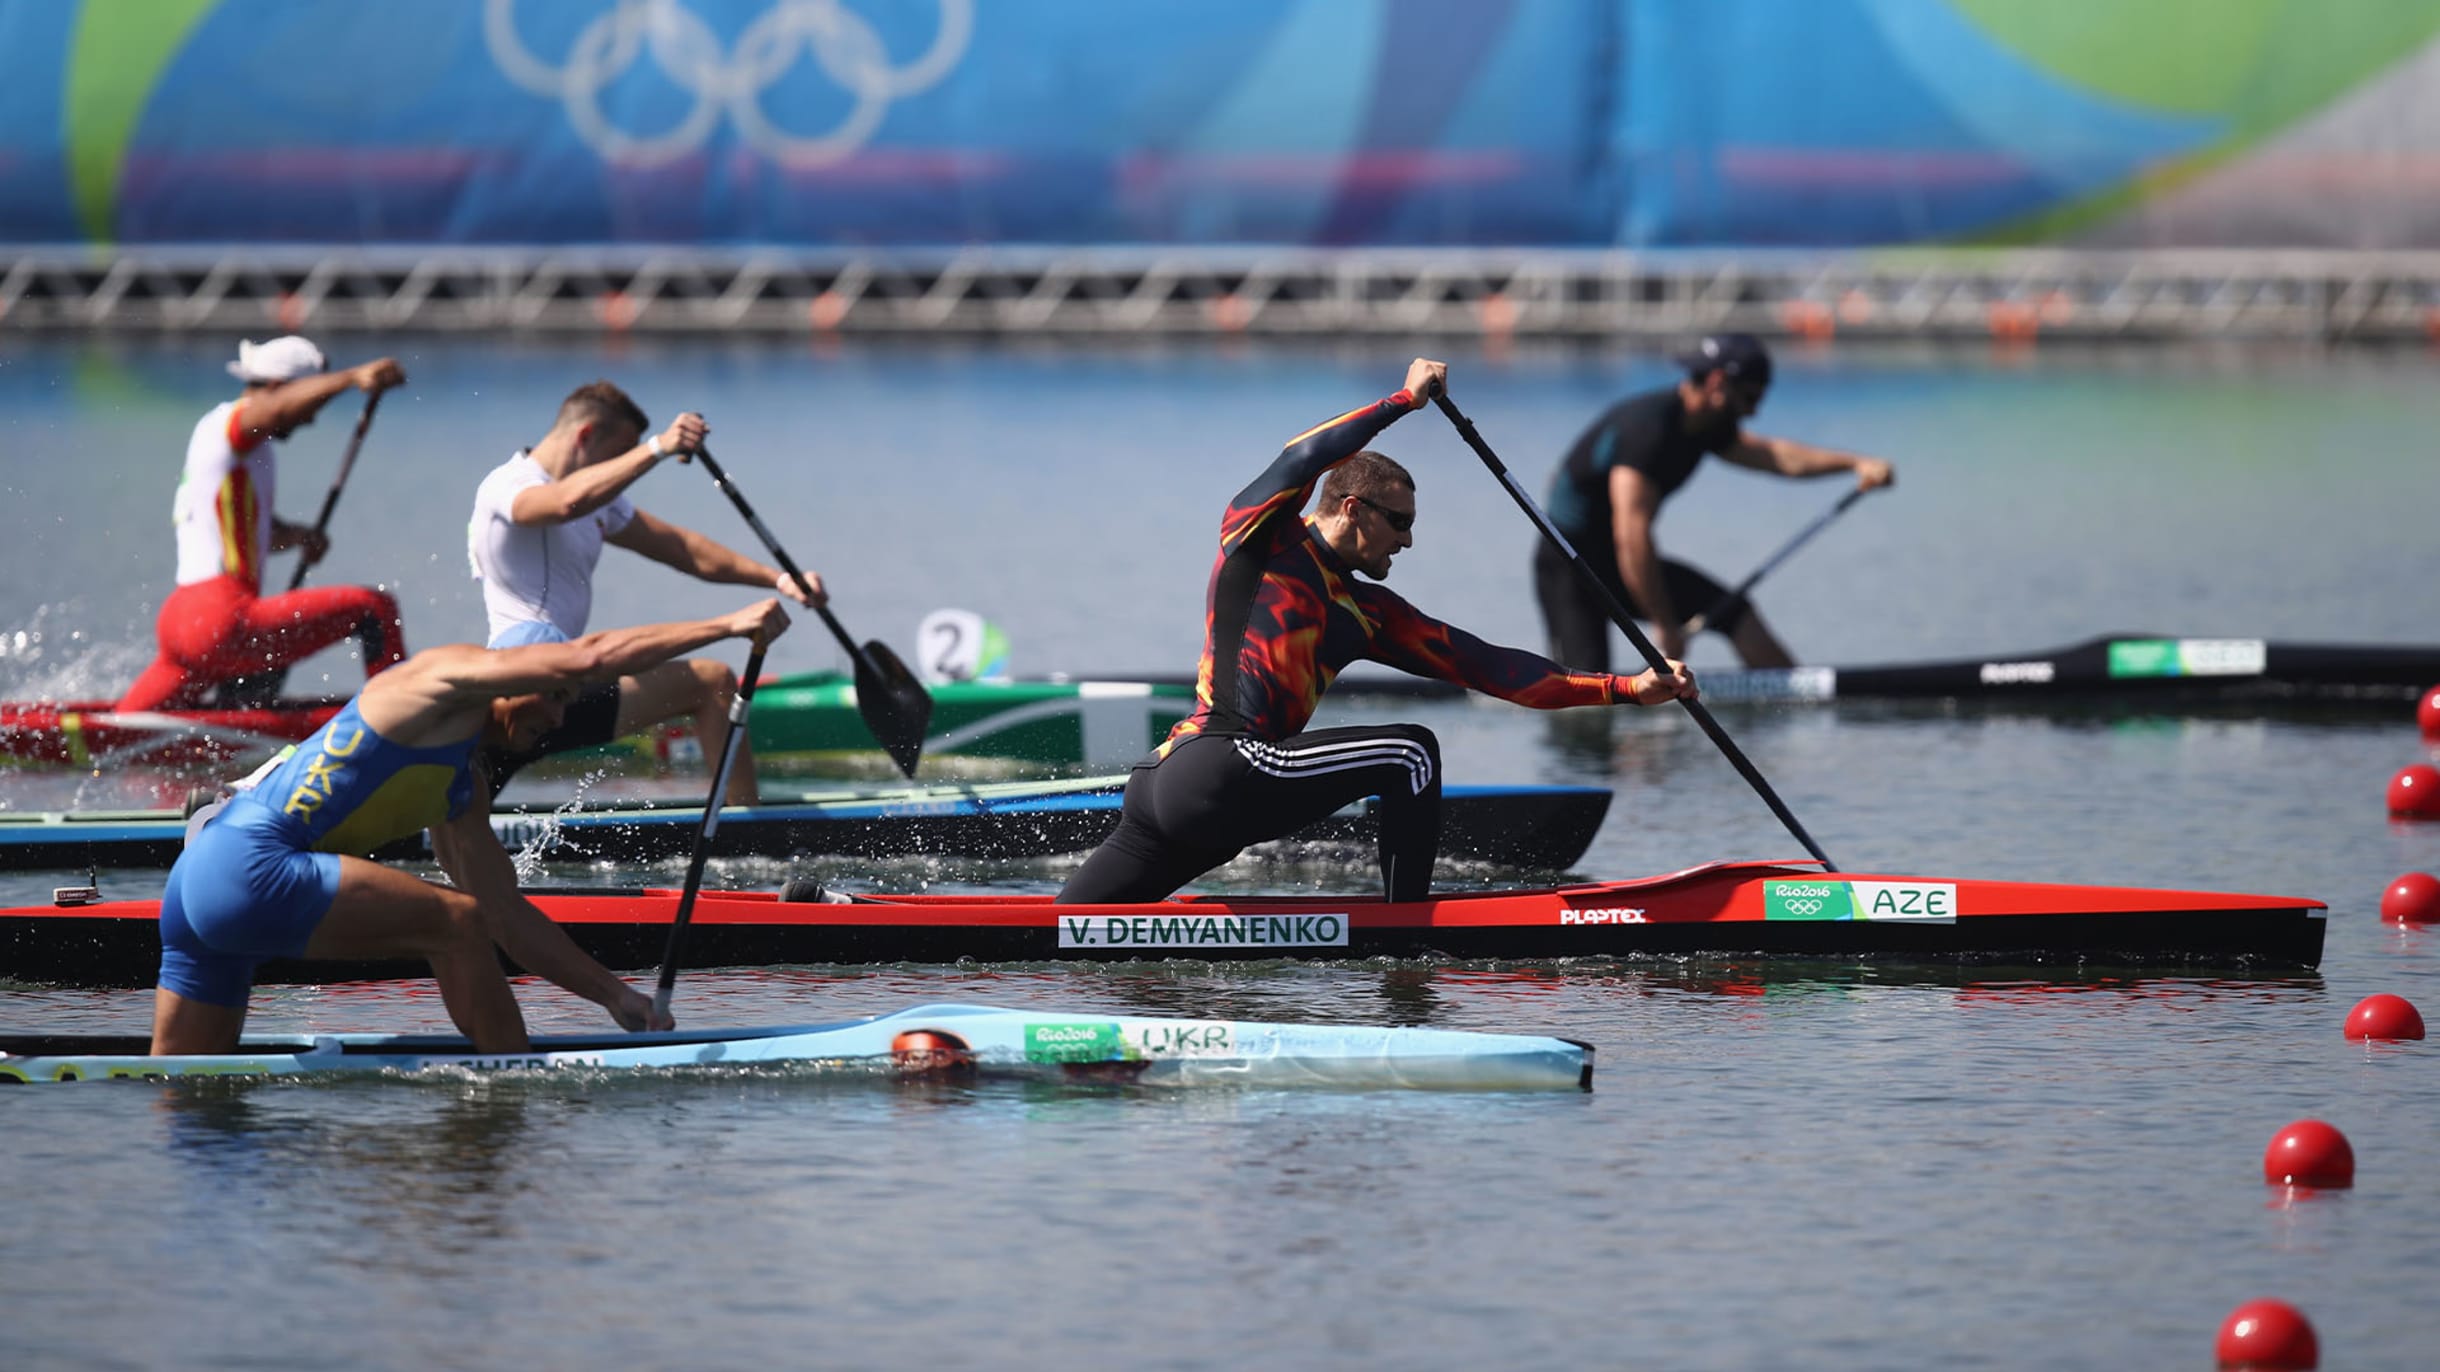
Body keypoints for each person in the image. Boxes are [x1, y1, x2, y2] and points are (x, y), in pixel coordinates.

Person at [1056, 358, 1698, 907]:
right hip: (1216, 766)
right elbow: (1299, 456)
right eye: (1399, 522)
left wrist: (1626, 688)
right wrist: (1402, 401)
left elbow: (1494, 668)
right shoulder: (1261, 543)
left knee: (1055, 937)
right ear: (1351, 508)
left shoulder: (1368, 613)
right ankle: (1406, 935)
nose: (1409, 540)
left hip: (1179, 791)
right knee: (1410, 753)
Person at [150, 598, 794, 1056]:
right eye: (554, 694)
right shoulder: (437, 679)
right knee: (455, 923)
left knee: (188, 1105)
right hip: (251, 864)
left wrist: (615, 998)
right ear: (512, 677)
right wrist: (728, 624)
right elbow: (589, 656)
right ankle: (508, 1093)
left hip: (202, 884)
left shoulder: (460, 786)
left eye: (568, 703)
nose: (559, 715)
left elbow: (509, 917)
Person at [466, 381, 824, 805]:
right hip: (518, 686)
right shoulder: (508, 484)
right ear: (584, 437)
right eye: (620, 459)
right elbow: (563, 504)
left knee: (710, 684)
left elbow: (682, 549)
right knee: (457, 811)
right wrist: (656, 448)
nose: (623, 477)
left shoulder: (599, 502)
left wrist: (778, 579)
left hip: (567, 684)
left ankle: (744, 834)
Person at [1535, 333, 1895, 670]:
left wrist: (1855, 464)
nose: (1753, 412)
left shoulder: (1705, 425)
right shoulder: (1646, 433)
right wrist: (1666, 627)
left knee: (1738, 616)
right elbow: (1631, 537)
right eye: (1751, 398)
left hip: (1617, 560)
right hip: (1570, 567)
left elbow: (1777, 457)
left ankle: (1798, 697)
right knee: (1587, 694)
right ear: (1718, 383)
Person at [117, 337, 410, 711]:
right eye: (308, 401)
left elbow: (249, 530)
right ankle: (402, 721)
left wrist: (301, 537)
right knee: (375, 609)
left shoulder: (227, 439)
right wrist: (352, 378)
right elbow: (271, 410)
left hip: (181, 624)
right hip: (222, 621)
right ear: (276, 387)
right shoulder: (235, 424)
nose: (311, 417)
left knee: (122, 728)